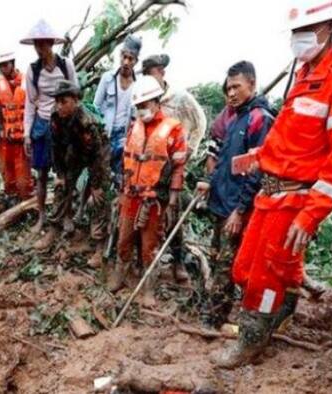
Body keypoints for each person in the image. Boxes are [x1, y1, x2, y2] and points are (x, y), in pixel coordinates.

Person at [216, 0, 332, 368]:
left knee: (262, 279)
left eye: (305, 32)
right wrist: (257, 158)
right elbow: (288, 138)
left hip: (295, 200)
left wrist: (310, 216)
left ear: (329, 28)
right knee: (243, 270)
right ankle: (286, 298)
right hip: (269, 192)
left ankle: (251, 340)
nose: (298, 40)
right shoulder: (302, 76)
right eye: (295, 33)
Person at [196, 61, 274, 329]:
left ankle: (214, 318)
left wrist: (240, 211)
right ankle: (214, 311)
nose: (231, 93)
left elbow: (256, 171)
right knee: (218, 257)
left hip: (236, 208)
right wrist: (210, 182)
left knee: (227, 265)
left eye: (236, 87)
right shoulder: (236, 116)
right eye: (228, 88)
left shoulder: (259, 119)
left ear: (252, 84)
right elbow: (228, 162)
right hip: (222, 202)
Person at [107, 76, 187, 307]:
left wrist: (172, 199)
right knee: (124, 238)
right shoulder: (135, 127)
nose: (141, 110)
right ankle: (120, 275)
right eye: (138, 106)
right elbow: (126, 161)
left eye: (144, 105)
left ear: (156, 101)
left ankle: (148, 287)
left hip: (155, 199)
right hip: (131, 194)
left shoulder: (173, 129)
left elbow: (179, 167)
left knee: (149, 244)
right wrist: (122, 191)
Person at [142, 53, 207, 282]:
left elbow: (201, 122)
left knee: (173, 212)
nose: (152, 79)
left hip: (175, 166)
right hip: (151, 169)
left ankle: (178, 260)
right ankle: (148, 259)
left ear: (162, 73)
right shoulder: (146, 101)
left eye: (154, 73)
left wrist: (191, 151)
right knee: (148, 213)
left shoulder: (180, 99)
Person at [43, 80, 110, 267]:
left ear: (75, 101)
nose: (59, 106)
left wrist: (96, 184)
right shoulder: (55, 117)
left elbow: (97, 155)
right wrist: (60, 174)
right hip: (75, 150)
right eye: (57, 101)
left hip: (98, 152)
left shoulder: (86, 122)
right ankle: (54, 228)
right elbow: (55, 147)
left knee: (99, 196)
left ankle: (99, 245)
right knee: (61, 186)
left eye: (64, 101)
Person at [21, 19, 79, 233]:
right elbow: (30, 102)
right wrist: (27, 133)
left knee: (65, 173)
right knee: (41, 174)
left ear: (51, 44)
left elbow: (75, 93)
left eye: (43, 44)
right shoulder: (33, 70)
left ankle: (66, 214)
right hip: (42, 123)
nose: (39, 48)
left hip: (63, 124)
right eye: (36, 44)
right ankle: (42, 216)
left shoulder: (66, 65)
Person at [93, 35, 142, 186]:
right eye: (124, 57)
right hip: (105, 133)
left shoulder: (138, 84)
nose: (126, 62)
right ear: (120, 56)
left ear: (136, 61)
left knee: (120, 176)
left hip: (123, 136)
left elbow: (137, 115)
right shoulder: (108, 78)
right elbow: (95, 107)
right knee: (97, 175)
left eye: (131, 59)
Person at [0, 49, 34, 202]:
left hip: (23, 140)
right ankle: (10, 204)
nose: (3, 68)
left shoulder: (26, 82)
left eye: (5, 65)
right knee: (8, 176)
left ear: (12, 63)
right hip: (5, 141)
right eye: (0, 65)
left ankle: (26, 207)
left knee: (24, 179)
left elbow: (35, 108)